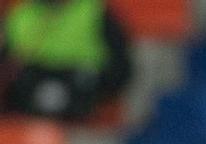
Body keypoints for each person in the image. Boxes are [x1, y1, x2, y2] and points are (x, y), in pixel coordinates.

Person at [1, 0, 130, 121]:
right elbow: (6, 63)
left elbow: (120, 66)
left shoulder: (94, 11)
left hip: (82, 103)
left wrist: (102, 95)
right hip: (25, 107)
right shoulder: (21, 13)